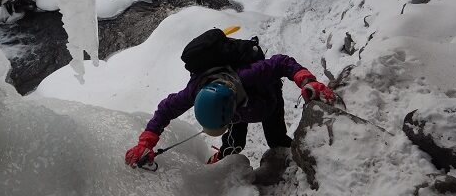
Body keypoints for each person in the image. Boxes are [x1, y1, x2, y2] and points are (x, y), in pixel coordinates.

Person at [124, 54, 336, 167]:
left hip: (267, 98)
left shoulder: (249, 75)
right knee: (234, 145)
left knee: (277, 140)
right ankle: (225, 155)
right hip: (242, 108)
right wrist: (145, 143)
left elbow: (281, 62)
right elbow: (165, 110)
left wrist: (306, 80)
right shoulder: (195, 91)